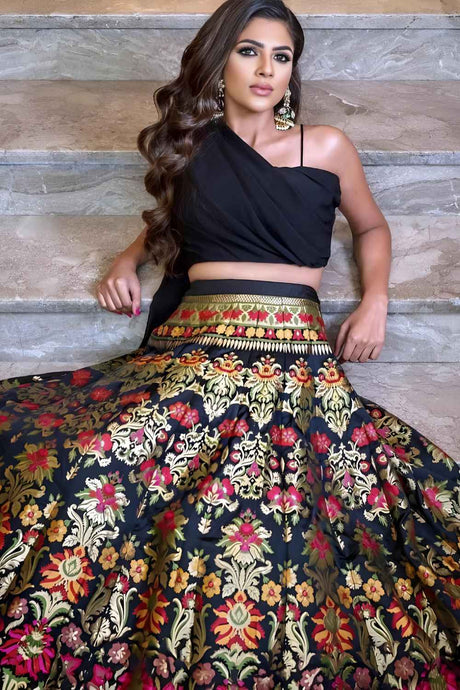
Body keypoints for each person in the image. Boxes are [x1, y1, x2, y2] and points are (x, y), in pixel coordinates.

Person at [0, 0, 458, 688]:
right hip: (195, 342)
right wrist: (127, 260)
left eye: (282, 56)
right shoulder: (194, 148)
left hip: (291, 351)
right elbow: (167, 222)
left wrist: (375, 301)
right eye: (249, 51)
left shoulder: (324, 146)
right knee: (91, 467)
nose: (267, 69)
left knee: (273, 511)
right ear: (219, 63)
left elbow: (371, 226)